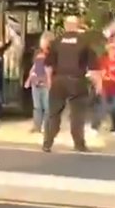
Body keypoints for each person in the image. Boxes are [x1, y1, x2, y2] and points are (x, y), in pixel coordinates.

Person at [42, 16, 98, 153]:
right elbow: (93, 68)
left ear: (66, 25)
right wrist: (97, 85)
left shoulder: (56, 42)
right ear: (77, 25)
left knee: (53, 114)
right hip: (77, 81)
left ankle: (47, 143)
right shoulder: (85, 42)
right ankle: (79, 144)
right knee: (77, 115)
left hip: (59, 81)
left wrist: (49, 81)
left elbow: (48, 65)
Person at [24, 33, 53, 133]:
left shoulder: (52, 54)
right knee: (37, 106)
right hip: (35, 82)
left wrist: (49, 82)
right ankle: (37, 126)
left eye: (44, 41)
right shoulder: (37, 52)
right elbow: (34, 67)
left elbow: (49, 69)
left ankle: (46, 126)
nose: (42, 43)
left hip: (45, 83)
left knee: (47, 106)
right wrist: (29, 80)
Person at [94, 43, 115, 133]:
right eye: (111, 49)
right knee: (102, 107)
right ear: (107, 50)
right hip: (104, 87)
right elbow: (99, 73)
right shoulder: (103, 60)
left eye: (114, 49)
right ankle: (95, 126)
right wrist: (98, 84)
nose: (113, 51)